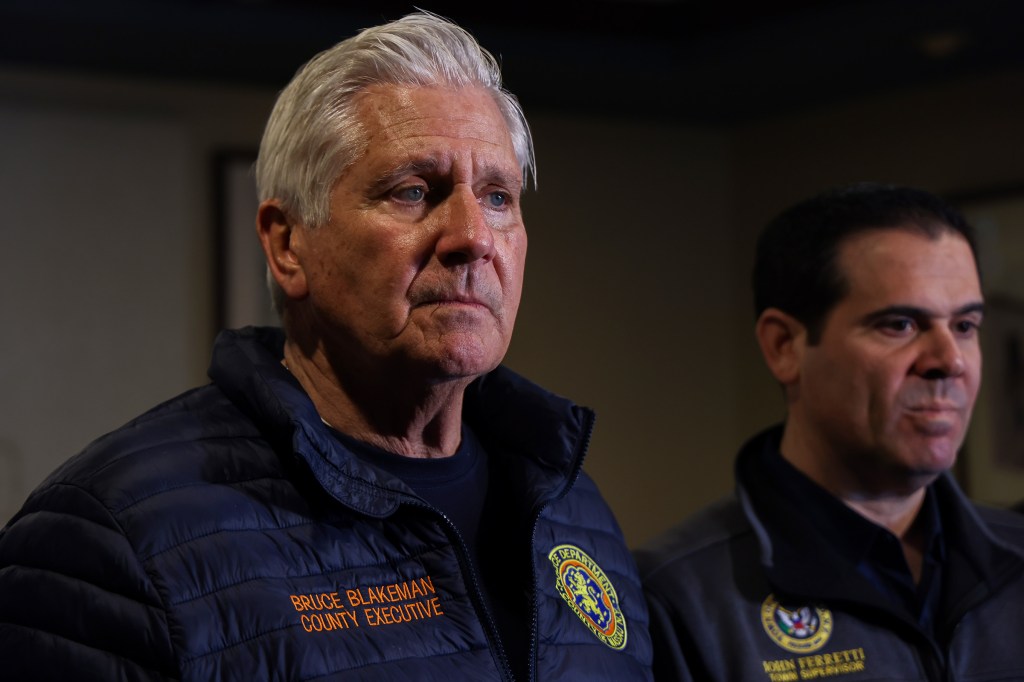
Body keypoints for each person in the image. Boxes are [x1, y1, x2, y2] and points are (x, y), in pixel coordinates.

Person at [0, 12, 652, 681]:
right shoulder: (113, 538)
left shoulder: (573, 512)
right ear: (288, 245)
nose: (473, 237)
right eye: (413, 191)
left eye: (496, 196)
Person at [636, 183, 1024, 681]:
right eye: (901, 324)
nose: (949, 361)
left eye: (965, 326)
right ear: (784, 347)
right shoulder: (679, 598)